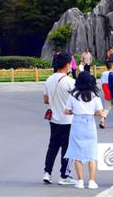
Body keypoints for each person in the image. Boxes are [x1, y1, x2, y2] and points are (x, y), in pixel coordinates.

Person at [64, 72, 103, 189]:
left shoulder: (73, 95)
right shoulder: (94, 96)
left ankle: (80, 181)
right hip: (89, 123)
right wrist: (92, 113)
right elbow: (100, 112)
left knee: (77, 153)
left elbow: (66, 111)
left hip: (77, 123)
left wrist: (74, 111)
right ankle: (91, 181)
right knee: (92, 153)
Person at [43, 52, 77, 185]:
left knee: (53, 146)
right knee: (67, 148)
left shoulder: (49, 79)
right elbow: (77, 99)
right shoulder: (70, 82)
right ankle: (64, 175)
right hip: (68, 120)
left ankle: (47, 172)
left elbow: (46, 100)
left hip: (54, 119)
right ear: (67, 64)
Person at [99, 61, 113, 129]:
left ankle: (102, 119)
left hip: (107, 94)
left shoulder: (103, 74)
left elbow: (102, 84)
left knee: (107, 108)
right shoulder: (112, 74)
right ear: (112, 66)